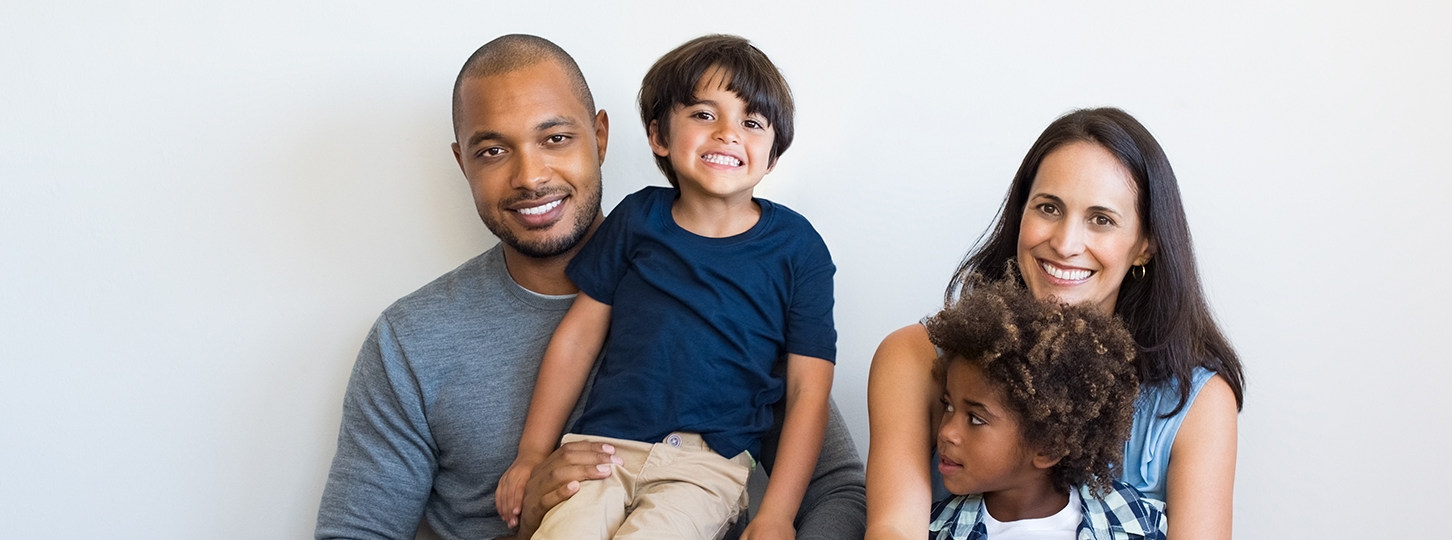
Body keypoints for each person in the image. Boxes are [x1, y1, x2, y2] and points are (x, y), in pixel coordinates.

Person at [314, 34, 867, 540]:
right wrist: (527, 522)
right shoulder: (410, 342)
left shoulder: (750, 279)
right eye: (493, 150)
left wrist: (772, 521)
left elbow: (838, 492)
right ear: (462, 163)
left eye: (555, 138)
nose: (530, 176)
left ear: (600, 136)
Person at [494, 35, 833, 540]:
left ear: (773, 156)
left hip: (704, 466)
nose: (727, 134)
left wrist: (777, 513)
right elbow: (577, 340)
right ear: (659, 135)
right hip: (599, 449)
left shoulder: (798, 248)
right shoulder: (637, 218)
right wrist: (531, 454)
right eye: (703, 114)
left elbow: (808, 390)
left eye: (752, 122)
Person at [865, 108, 1244, 540]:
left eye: (1101, 219)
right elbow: (893, 528)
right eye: (1048, 208)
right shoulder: (913, 357)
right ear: (1020, 214)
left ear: (1145, 246)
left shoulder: (1196, 402)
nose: (1065, 244)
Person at [923, 277, 1165, 540]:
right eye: (948, 406)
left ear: (1049, 447)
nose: (947, 432)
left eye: (976, 419)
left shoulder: (1132, 520)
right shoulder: (933, 531)